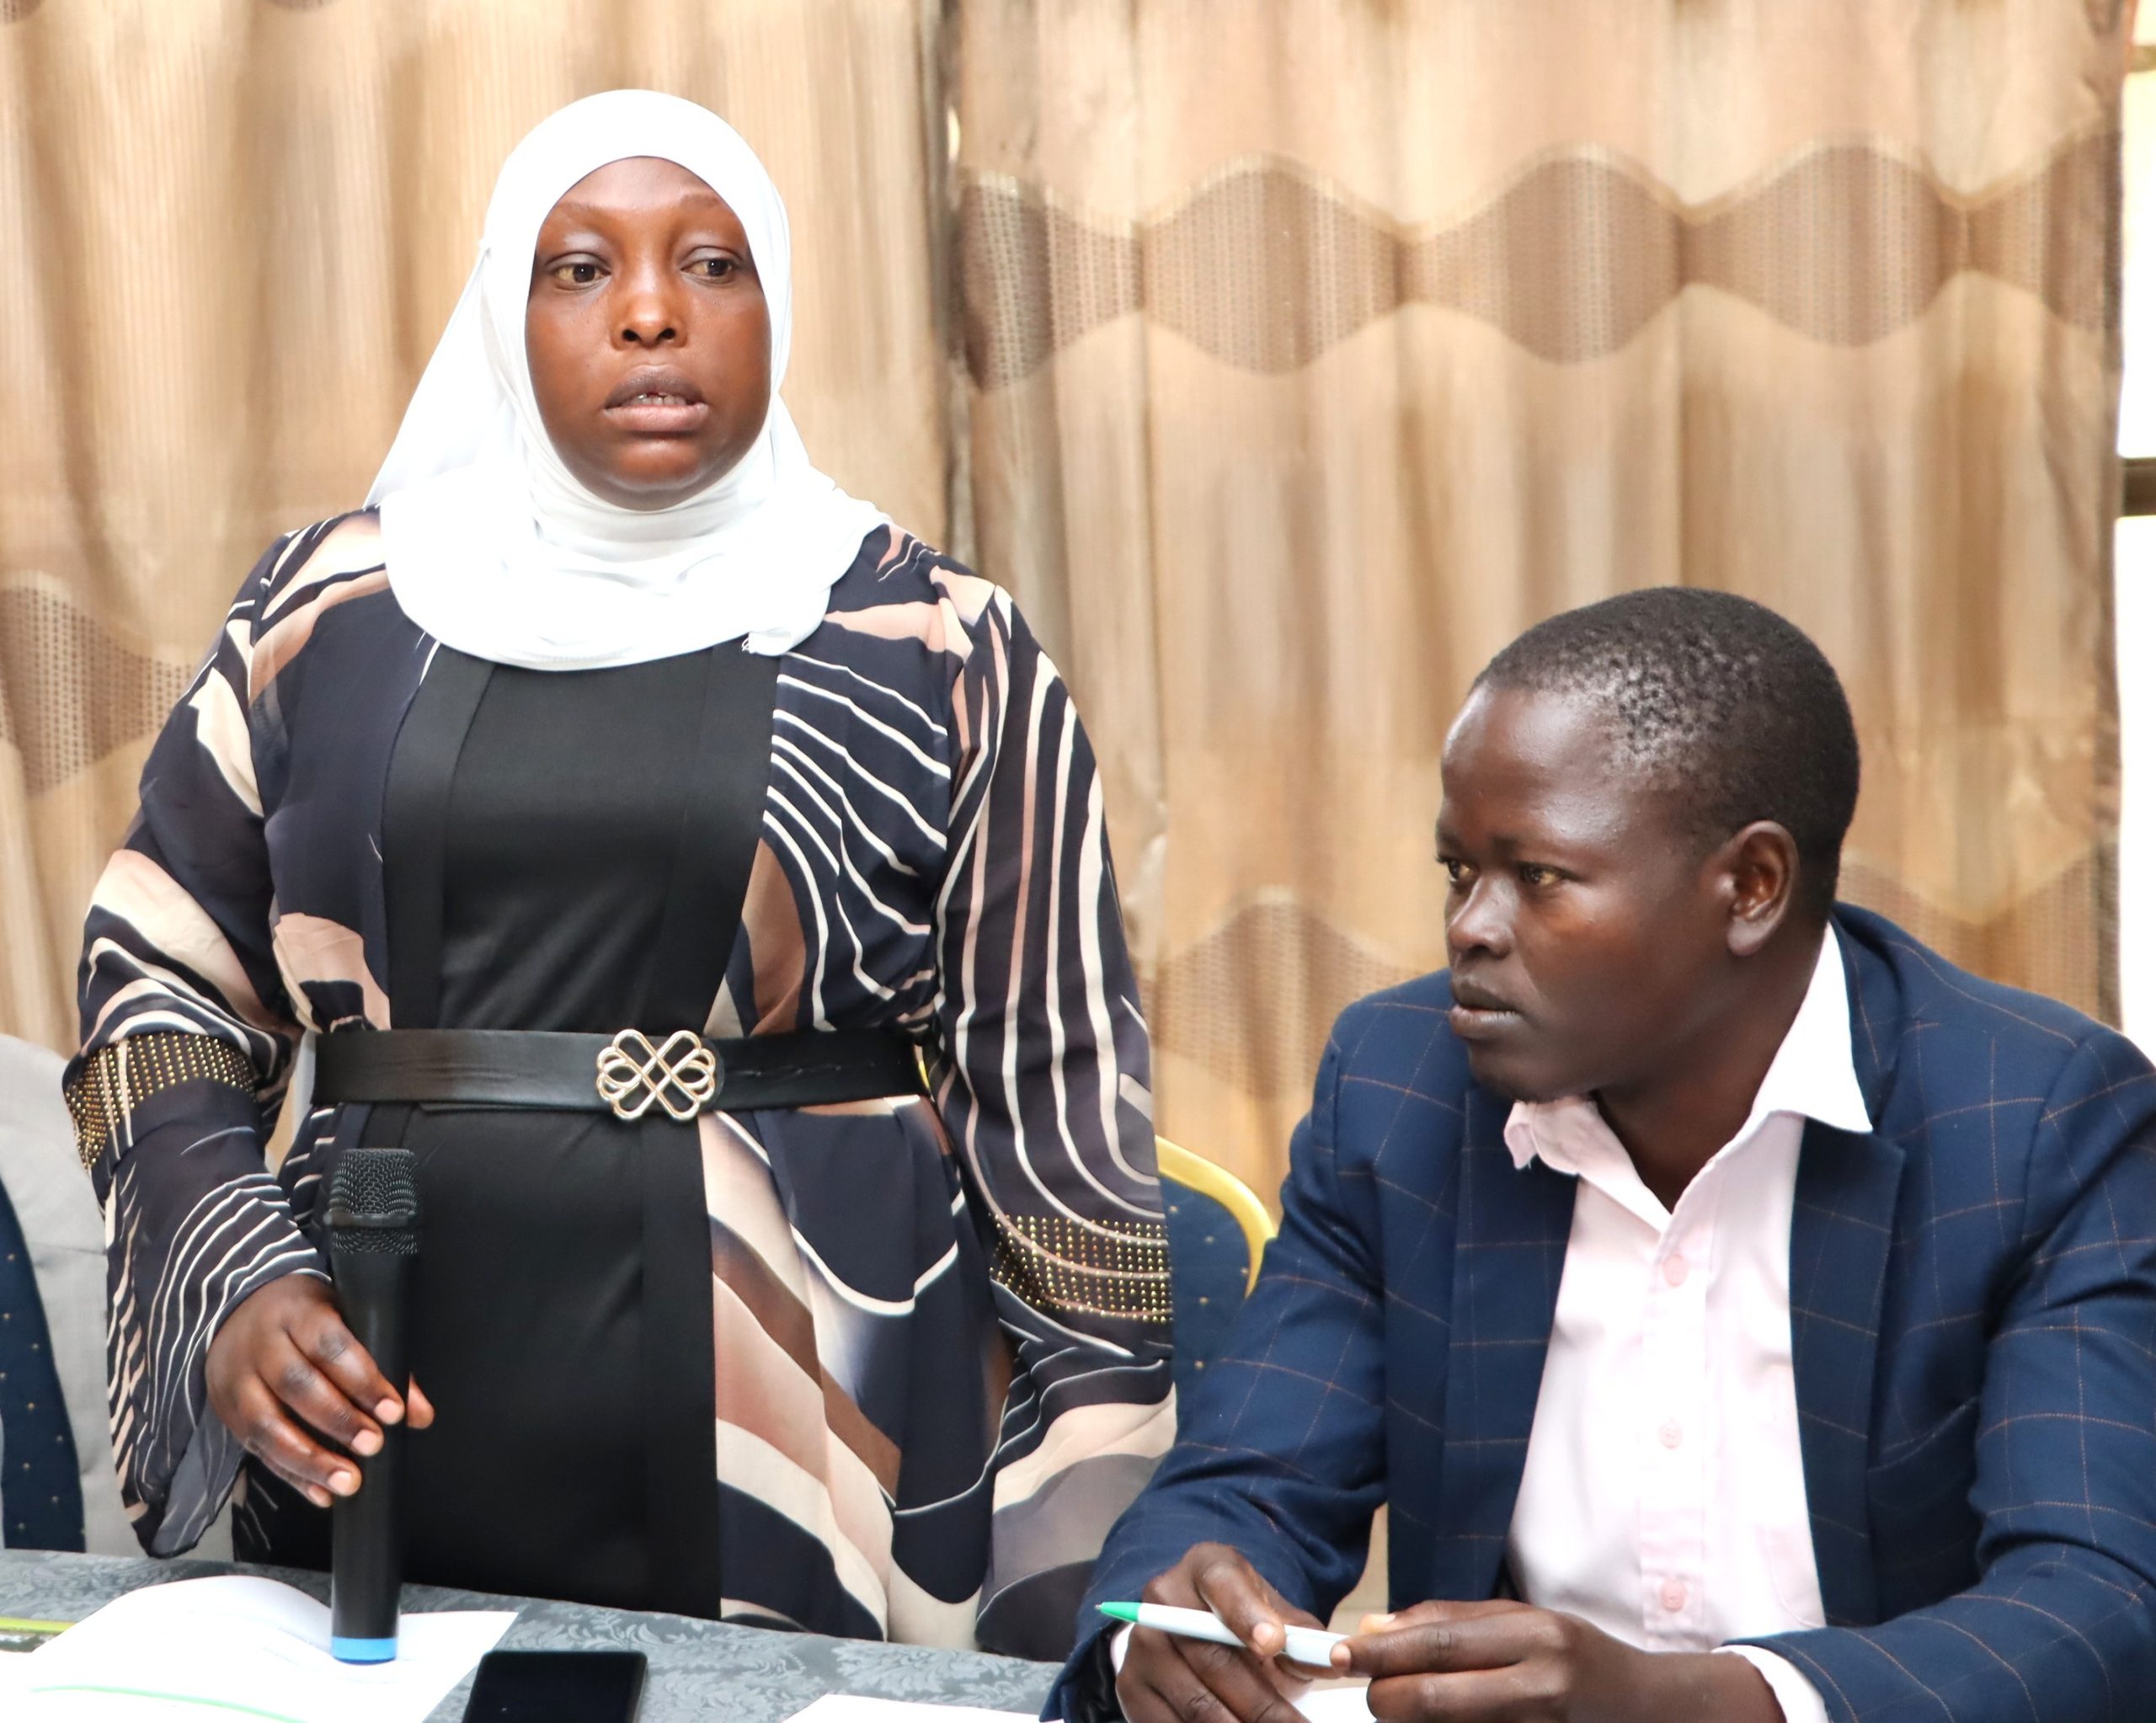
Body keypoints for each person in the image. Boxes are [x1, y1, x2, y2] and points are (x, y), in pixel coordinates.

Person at [64, 90, 1173, 1657]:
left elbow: (1059, 1111)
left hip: (816, 1406)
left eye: (713, 266)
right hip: (369, 1360)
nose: (652, 311)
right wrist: (232, 1272)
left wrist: (1079, 1581)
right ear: (501, 308)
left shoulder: (938, 643)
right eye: (580, 270)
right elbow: (158, 981)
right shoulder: (331, 612)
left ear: (778, 303)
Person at [1058, 589, 2156, 1722]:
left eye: (1535, 876)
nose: (1471, 927)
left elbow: (2097, 1602)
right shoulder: (1401, 1091)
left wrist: (1690, 1701)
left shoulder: (2033, 1121)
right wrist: (1181, 1620)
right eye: (1458, 872)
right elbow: (1250, 1480)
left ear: (1752, 885)